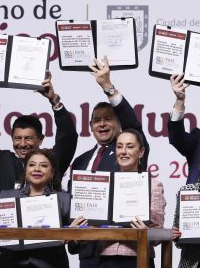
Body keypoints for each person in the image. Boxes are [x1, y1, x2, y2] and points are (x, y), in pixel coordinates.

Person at [68, 57, 150, 268]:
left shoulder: (127, 152)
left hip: (122, 252)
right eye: (97, 120)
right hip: (88, 253)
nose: (102, 124)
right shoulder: (80, 161)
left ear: (119, 123)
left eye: (108, 118)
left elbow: (133, 125)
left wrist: (108, 87)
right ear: (90, 125)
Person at [0, 72, 78, 197]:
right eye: (17, 138)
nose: (22, 144)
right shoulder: (2, 161)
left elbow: (68, 137)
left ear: (40, 139)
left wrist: (54, 100)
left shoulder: (51, 160)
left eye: (28, 138)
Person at [95, 129, 165, 268]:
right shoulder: (103, 185)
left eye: (130, 146)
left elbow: (158, 235)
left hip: (138, 258)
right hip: (106, 258)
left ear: (141, 152)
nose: (123, 151)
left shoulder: (153, 186)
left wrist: (146, 232)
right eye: (119, 146)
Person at [0, 149, 70, 268]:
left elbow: (74, 246)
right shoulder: (6, 196)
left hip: (50, 264)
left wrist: (75, 233)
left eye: (43, 165)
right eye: (31, 165)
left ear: (52, 173)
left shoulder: (65, 200)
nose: (36, 169)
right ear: (25, 170)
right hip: (11, 263)